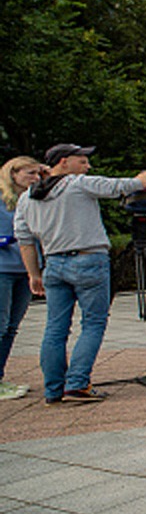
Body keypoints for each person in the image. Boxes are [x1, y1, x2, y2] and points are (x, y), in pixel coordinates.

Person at [14, 144, 146, 404]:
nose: (88, 166)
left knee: (55, 329)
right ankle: (77, 384)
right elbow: (122, 186)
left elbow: (24, 240)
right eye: (82, 161)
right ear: (64, 162)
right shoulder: (77, 184)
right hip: (89, 259)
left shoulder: (27, 197)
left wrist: (33, 274)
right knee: (93, 323)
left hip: (53, 263)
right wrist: (145, 177)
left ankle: (53, 389)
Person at [0, 156, 45, 400]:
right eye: (30, 173)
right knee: (1, 325)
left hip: (25, 270)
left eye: (38, 173)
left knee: (11, 327)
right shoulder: (2, 201)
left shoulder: (32, 200)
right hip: (3, 268)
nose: (35, 178)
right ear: (13, 174)